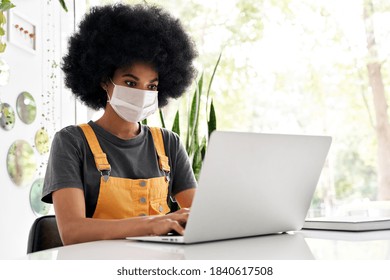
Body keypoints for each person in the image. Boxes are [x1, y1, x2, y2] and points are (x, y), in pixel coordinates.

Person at [42, 3, 198, 246]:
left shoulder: (169, 143)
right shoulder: (72, 142)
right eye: (131, 82)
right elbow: (72, 231)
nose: (143, 93)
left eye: (152, 86)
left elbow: (202, 218)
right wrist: (152, 224)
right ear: (105, 81)